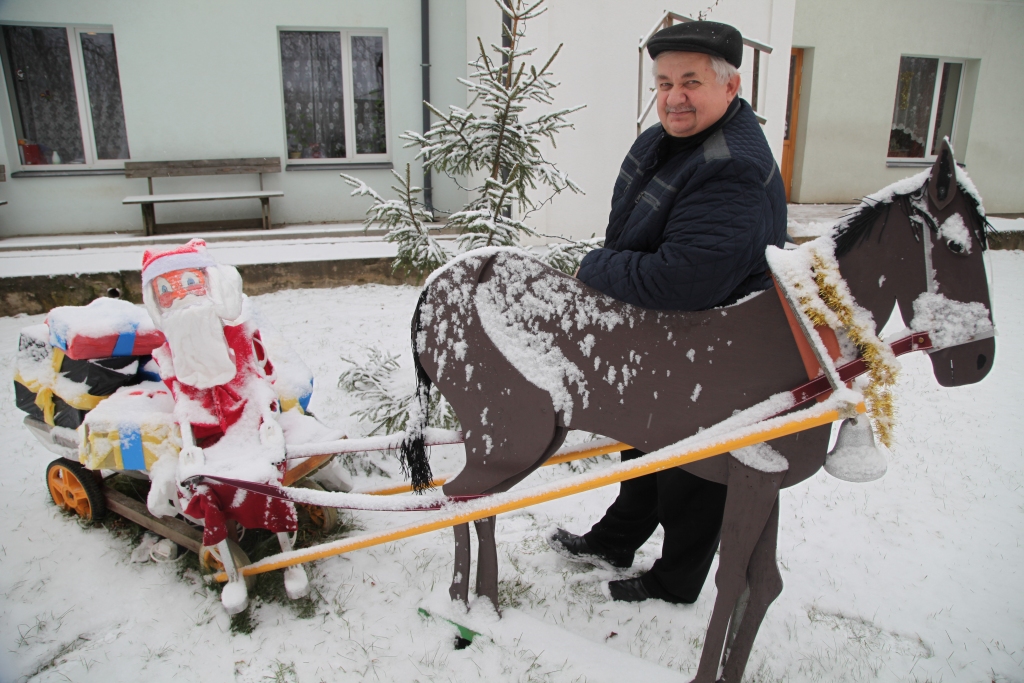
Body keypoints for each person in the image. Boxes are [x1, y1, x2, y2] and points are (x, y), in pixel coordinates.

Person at [549, 21, 787, 605]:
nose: (674, 96)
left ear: (730, 88)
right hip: (679, 333)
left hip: (720, 345)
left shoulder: (732, 168)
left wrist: (594, 267)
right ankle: (618, 538)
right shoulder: (674, 139)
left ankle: (675, 581)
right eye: (663, 83)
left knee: (692, 469)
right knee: (644, 441)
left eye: (691, 82)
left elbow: (681, 279)